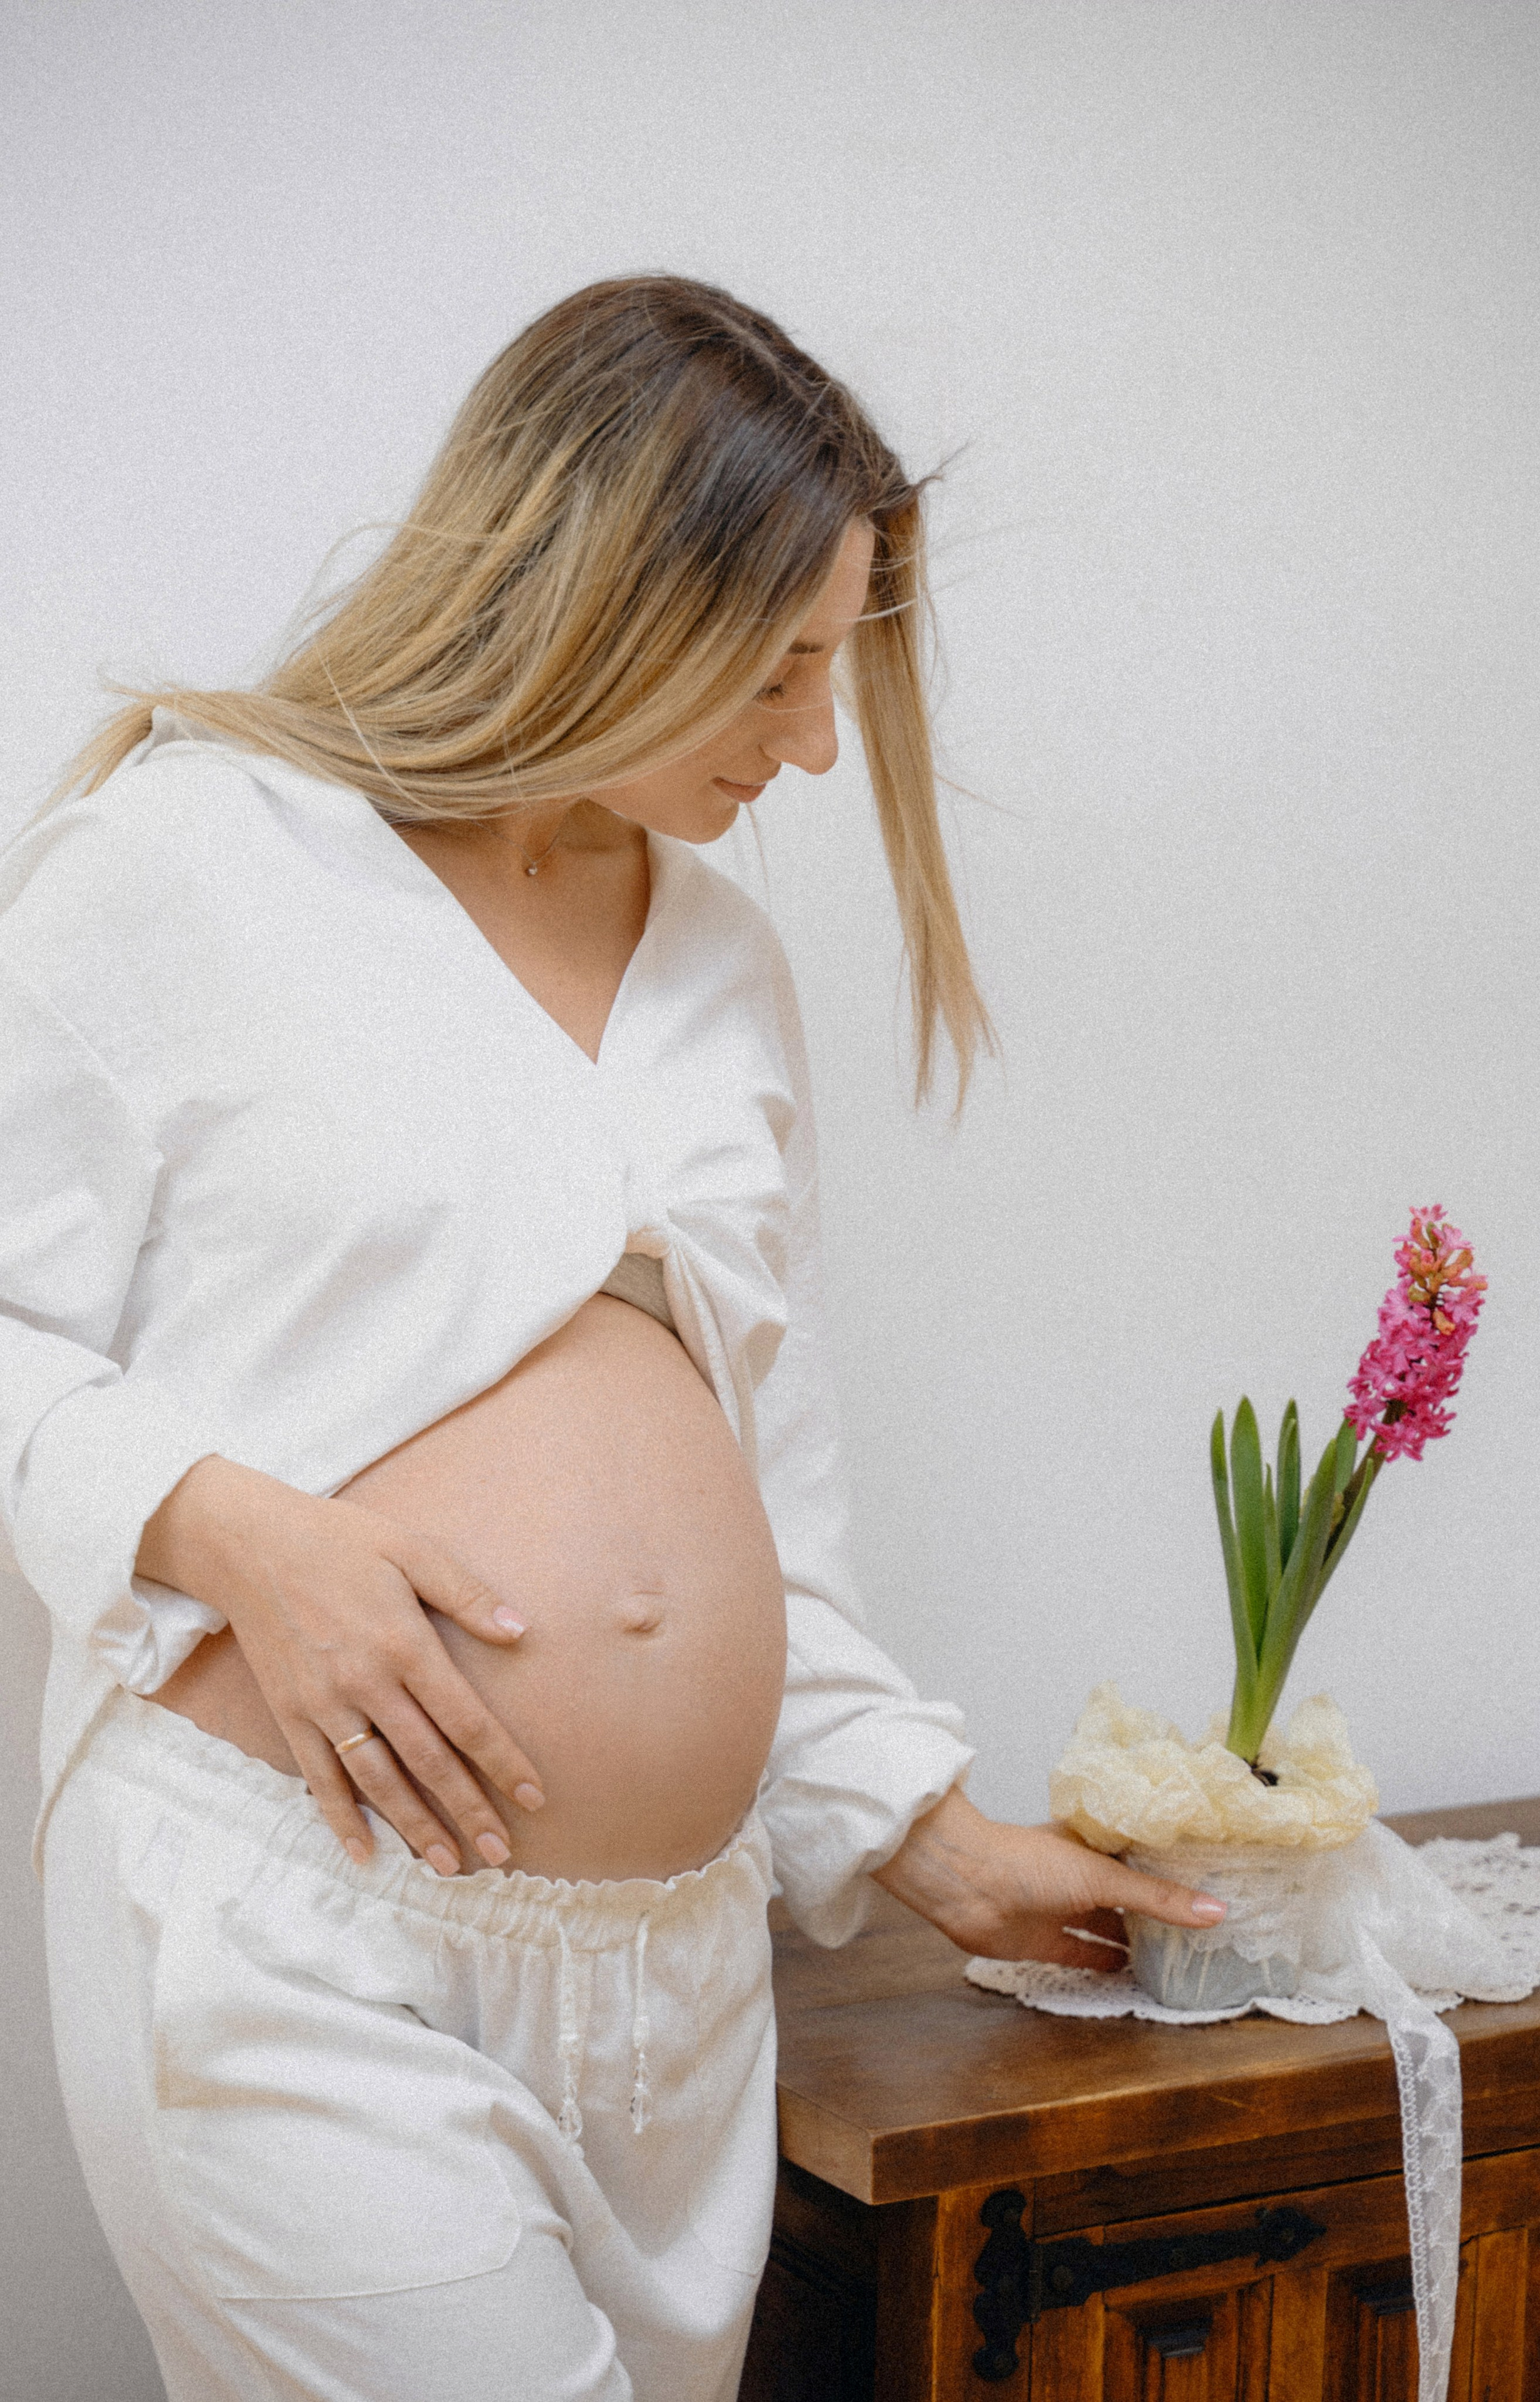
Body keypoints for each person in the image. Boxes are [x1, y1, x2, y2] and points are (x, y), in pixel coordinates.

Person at [3, 276, 1224, 2402]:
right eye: (778, 667)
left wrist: (929, 1838)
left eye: (831, 668)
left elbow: (775, 1489)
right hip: (303, 1934)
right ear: (603, 601)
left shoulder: (723, 967)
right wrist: (234, 1534)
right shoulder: (191, 864)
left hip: (680, 1988)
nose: (820, 743)